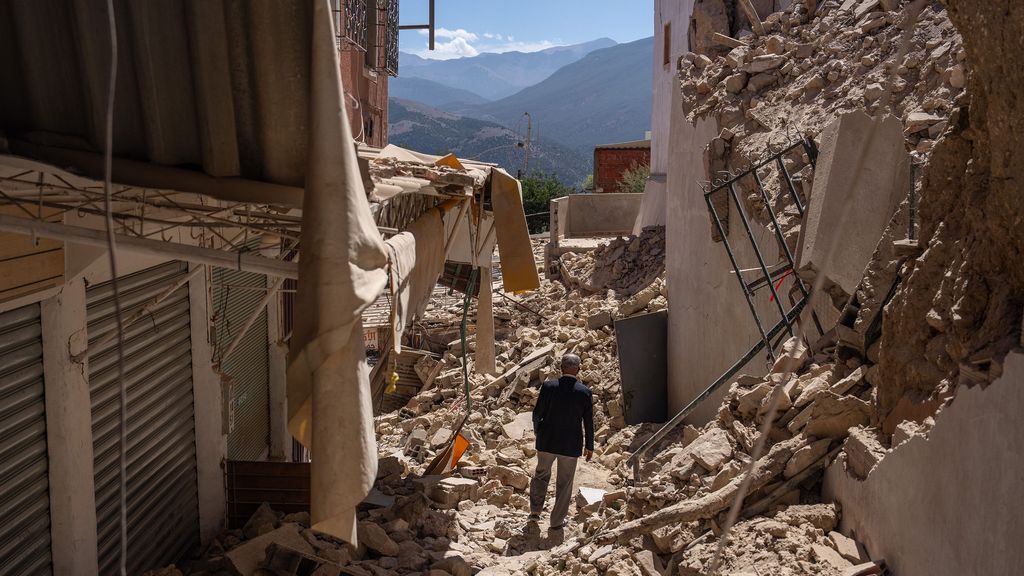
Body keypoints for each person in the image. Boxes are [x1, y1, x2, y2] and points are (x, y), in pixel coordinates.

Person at [528, 353, 595, 530]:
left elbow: (537, 413)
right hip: (570, 445)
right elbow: (588, 421)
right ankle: (556, 521)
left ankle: (535, 511)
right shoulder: (585, 392)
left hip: (547, 441)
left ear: (561, 368)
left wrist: (538, 432)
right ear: (578, 369)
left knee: (541, 475)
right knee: (565, 484)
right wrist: (589, 446)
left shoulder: (549, 386)